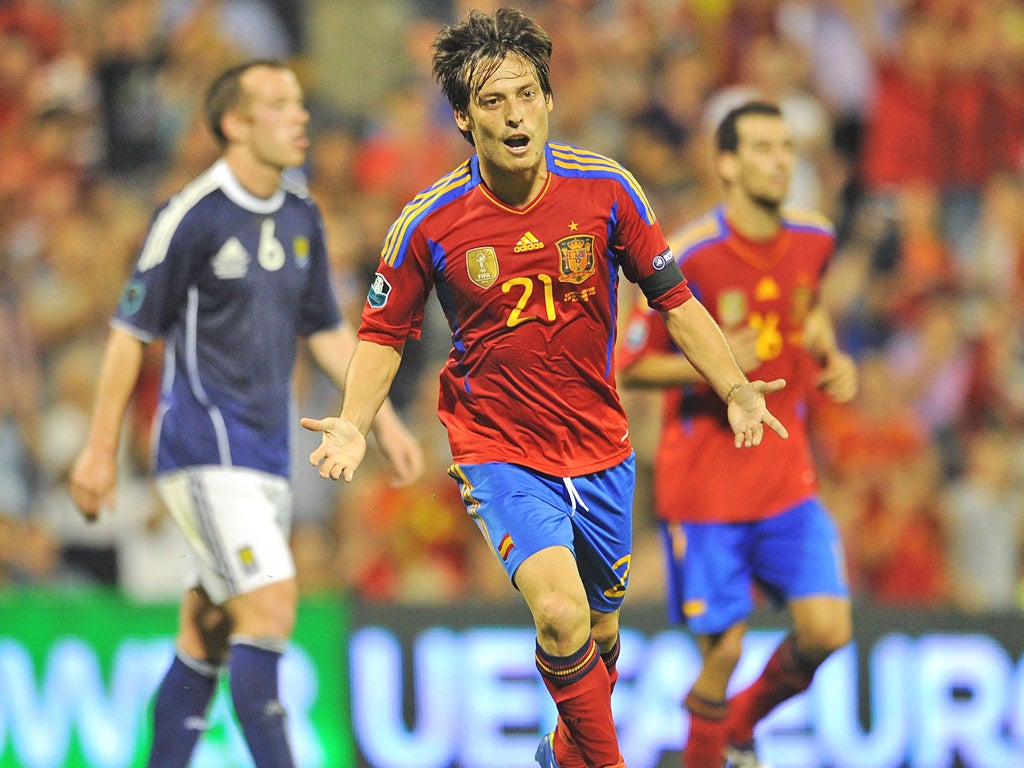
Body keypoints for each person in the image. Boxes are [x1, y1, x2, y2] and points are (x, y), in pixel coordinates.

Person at [301, 12, 788, 768]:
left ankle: (564, 756)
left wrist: (734, 387)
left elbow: (676, 300)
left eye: (526, 94)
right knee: (558, 614)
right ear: (463, 118)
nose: (515, 113)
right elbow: (381, 333)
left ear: (549, 100)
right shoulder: (428, 222)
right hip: (498, 447)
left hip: (599, 447)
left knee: (596, 636)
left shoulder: (607, 191)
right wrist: (355, 423)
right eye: (493, 102)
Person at [68, 59, 423, 768]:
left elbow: (323, 328)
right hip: (202, 450)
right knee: (270, 607)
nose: (300, 116)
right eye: (279, 104)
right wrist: (99, 448)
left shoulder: (300, 214)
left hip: (266, 458)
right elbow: (129, 331)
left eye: (299, 101)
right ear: (235, 123)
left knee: (209, 632)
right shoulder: (192, 215)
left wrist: (375, 416)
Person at [618, 101, 857, 768]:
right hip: (706, 491)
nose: (782, 160)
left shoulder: (816, 239)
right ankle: (713, 746)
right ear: (726, 163)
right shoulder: (688, 254)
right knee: (722, 653)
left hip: (787, 478)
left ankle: (740, 730)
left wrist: (831, 359)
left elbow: (806, 314)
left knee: (827, 629)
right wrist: (720, 369)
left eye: (787, 147)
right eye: (763, 148)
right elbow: (631, 367)